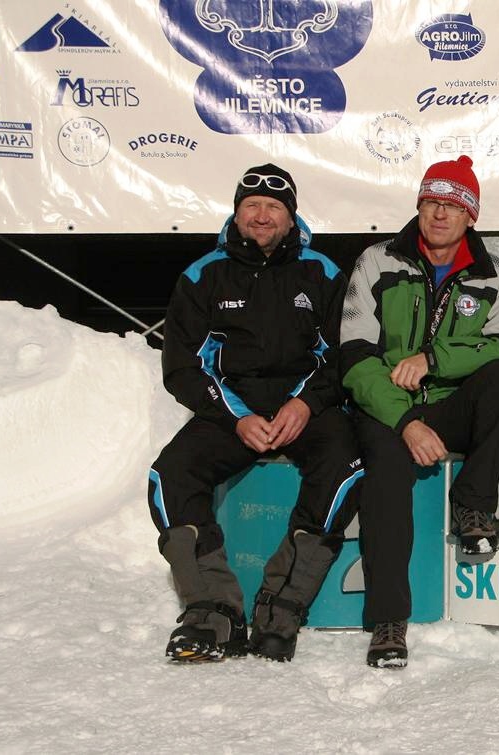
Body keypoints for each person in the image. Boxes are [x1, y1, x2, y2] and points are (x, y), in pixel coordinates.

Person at [147, 164, 363, 663]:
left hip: (305, 407)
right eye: (251, 206)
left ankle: (281, 608)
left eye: (273, 207)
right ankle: (212, 612)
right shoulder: (203, 275)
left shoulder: (324, 273)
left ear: (291, 217)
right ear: (236, 212)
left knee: (345, 467)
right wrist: (237, 417)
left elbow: (343, 354)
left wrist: (305, 403)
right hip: (231, 410)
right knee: (169, 476)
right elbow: (182, 367)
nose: (262, 216)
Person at [341, 155, 499, 669]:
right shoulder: (376, 261)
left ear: (471, 216)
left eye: (453, 206)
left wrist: (433, 359)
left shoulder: (494, 272)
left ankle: (473, 504)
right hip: (388, 407)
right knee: (385, 474)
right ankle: (389, 620)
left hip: (449, 403)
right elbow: (354, 357)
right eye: (432, 203)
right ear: (419, 206)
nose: (441, 214)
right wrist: (405, 422)